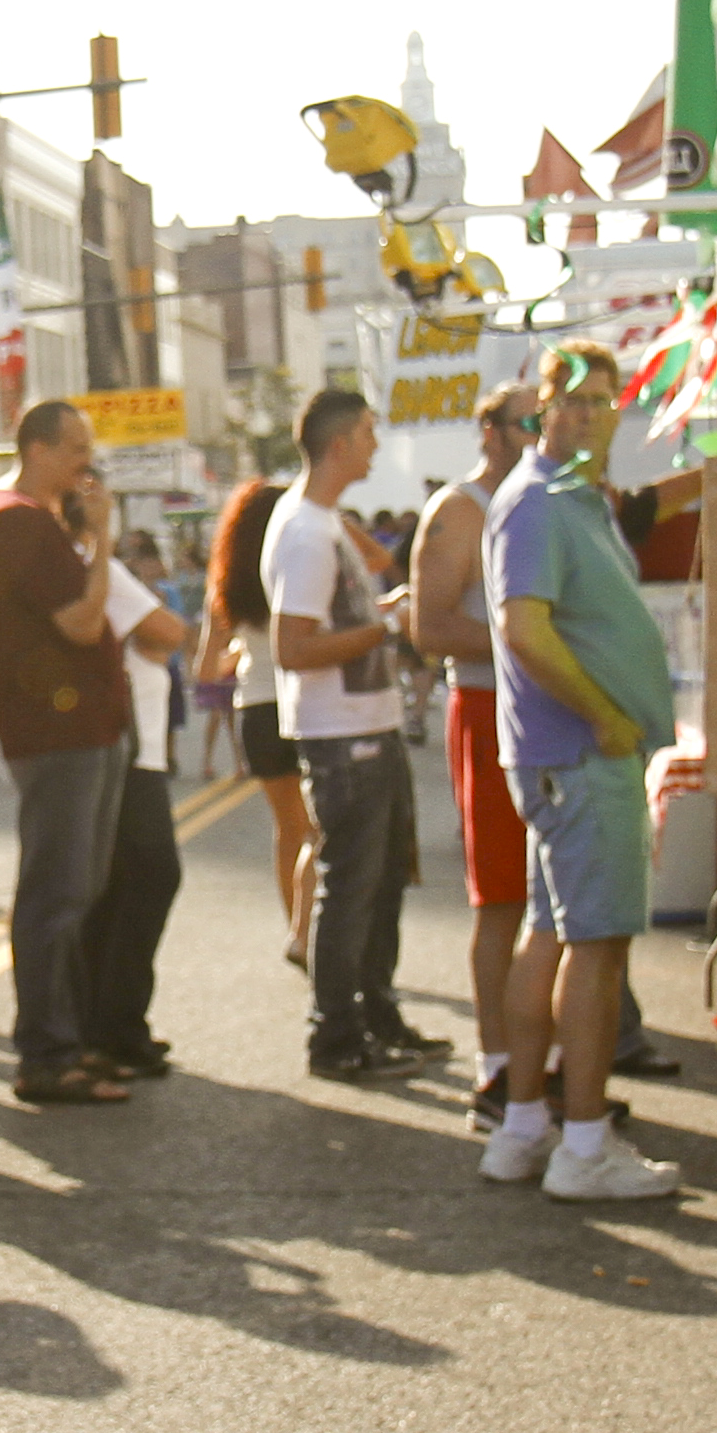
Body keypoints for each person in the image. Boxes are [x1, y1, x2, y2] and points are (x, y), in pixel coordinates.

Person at [489, 342, 688, 1204]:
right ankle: (583, 1144)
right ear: (540, 408)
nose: (580, 414)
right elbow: (525, 629)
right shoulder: (536, 500)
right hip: (579, 754)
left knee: (553, 934)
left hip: (567, 756)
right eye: (565, 400)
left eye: (598, 401)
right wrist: (608, 715)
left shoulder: (574, 497)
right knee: (596, 951)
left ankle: (526, 1128)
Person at [0, 398, 139, 1106]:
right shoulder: (17, 521)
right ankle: (45, 1054)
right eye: (76, 449)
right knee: (56, 893)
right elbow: (80, 620)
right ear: (38, 448)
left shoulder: (33, 519)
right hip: (56, 733)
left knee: (79, 888)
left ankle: (68, 1040)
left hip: (85, 728)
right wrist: (100, 540)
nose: (86, 464)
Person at [269, 389, 433, 1084]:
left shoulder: (325, 523)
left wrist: (381, 614)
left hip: (371, 727)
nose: (375, 443)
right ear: (340, 444)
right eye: (368, 433)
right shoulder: (306, 530)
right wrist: (389, 627)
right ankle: (335, 1036)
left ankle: (376, 1016)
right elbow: (294, 647)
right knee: (351, 885)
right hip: (341, 737)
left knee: (384, 882)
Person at [417, 388, 540, 1126]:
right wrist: (530, 639)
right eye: (527, 420)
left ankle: (543, 1065)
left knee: (552, 900)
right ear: (488, 431)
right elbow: (428, 625)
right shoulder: (461, 509)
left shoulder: (549, 496)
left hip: (553, 709)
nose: (541, 432)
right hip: (491, 709)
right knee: (502, 897)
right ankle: (497, 1071)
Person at [81, 526, 193, 1082]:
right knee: (150, 876)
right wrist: (154, 637)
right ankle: (114, 1027)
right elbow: (166, 630)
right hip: (128, 747)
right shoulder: (92, 561)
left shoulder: (91, 564)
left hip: (132, 743)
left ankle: (108, 1025)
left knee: (121, 886)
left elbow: (160, 635)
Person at [205, 474, 313, 966]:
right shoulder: (295, 568)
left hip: (256, 709)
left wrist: (241, 652)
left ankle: (296, 927)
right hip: (304, 704)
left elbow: (207, 670)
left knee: (288, 827)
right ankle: (309, 929)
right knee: (318, 830)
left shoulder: (226, 586)